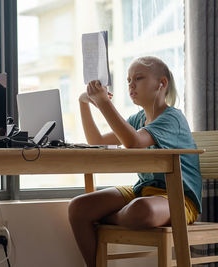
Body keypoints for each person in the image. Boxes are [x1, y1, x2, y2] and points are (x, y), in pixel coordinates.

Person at [68, 56, 202, 267]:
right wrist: (84, 103)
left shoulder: (172, 118)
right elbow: (97, 142)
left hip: (178, 198)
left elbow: (133, 142)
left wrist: (104, 103)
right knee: (78, 208)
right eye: (129, 80)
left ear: (162, 83)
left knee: (142, 211)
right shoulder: (137, 119)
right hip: (143, 190)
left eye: (138, 78)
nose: (131, 85)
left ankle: (107, 216)